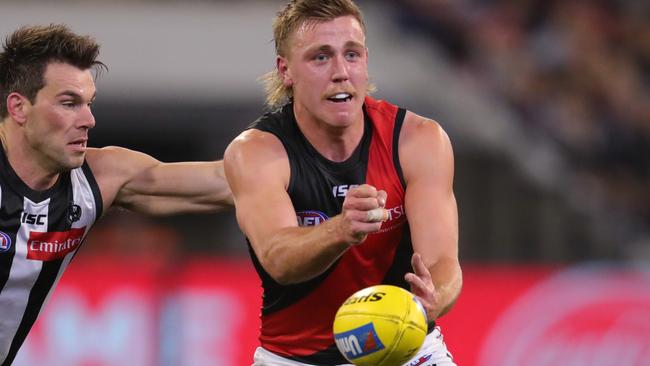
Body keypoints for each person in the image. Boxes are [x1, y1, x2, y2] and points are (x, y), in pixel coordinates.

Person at [224, 0, 462, 365]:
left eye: (351, 55)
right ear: (286, 71)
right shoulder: (257, 151)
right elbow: (279, 260)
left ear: (365, 60)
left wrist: (430, 300)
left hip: (407, 346)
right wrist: (342, 229)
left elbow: (443, 262)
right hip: (294, 358)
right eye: (320, 57)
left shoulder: (419, 140)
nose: (341, 72)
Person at [0, 24, 232, 365]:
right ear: (19, 108)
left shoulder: (96, 179)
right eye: (69, 103)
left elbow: (225, 182)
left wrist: (315, 160)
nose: (89, 119)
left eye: (89, 103)